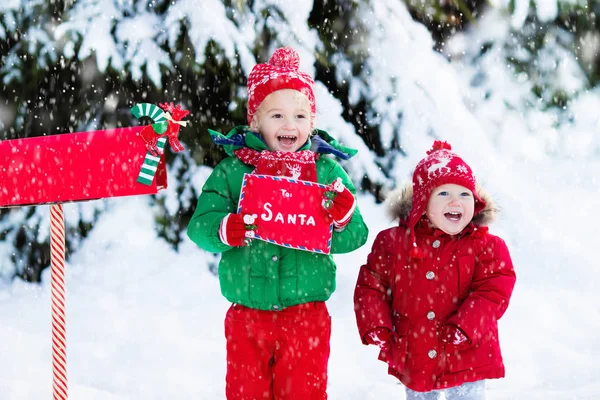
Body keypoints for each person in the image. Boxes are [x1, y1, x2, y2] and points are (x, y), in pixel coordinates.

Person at [187, 47, 368, 400]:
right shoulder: (233, 171)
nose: (290, 126)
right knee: (246, 394)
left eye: (300, 116)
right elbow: (200, 225)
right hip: (247, 318)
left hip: (306, 318)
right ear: (255, 120)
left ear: (312, 123)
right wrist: (224, 228)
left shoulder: (326, 173)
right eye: (278, 115)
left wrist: (343, 218)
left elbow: (356, 235)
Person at [353, 140, 516, 400]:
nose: (456, 202)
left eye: (464, 194)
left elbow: (493, 291)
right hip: (416, 350)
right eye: (444, 194)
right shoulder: (394, 243)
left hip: (468, 353)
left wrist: (466, 326)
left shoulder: (486, 246)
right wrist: (376, 324)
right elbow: (372, 285)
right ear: (421, 203)